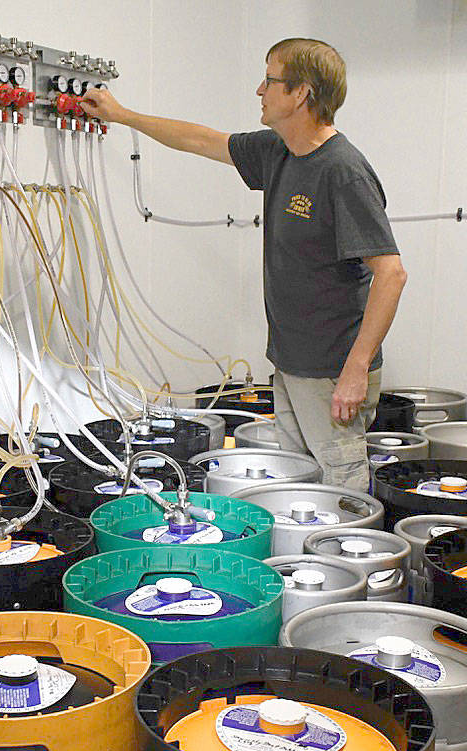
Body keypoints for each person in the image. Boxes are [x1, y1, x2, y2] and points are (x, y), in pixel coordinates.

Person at [81, 38, 407, 490]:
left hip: (332, 371)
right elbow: (199, 139)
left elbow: (391, 274)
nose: (259, 90)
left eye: (270, 80)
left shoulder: (342, 171)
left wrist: (355, 371)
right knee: (300, 485)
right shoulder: (278, 152)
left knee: (340, 488)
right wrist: (122, 115)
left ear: (300, 94)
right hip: (291, 362)